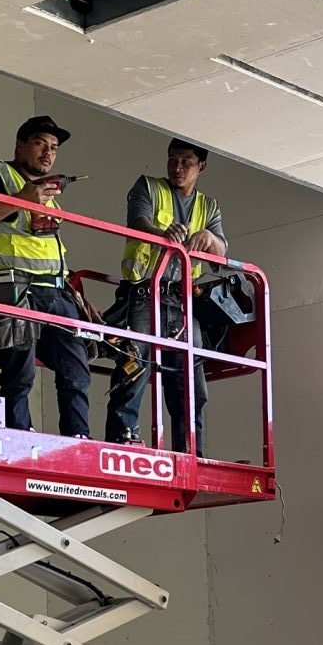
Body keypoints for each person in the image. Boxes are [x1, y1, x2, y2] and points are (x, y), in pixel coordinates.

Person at [0, 116, 91, 437]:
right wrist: (21, 199)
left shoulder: (48, 194)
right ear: (20, 145)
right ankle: (19, 433)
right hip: (16, 288)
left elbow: (49, 249)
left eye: (54, 148)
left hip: (57, 293)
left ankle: (78, 437)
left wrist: (74, 291)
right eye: (40, 143)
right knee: (19, 373)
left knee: (76, 369)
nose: (48, 153)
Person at [104, 139, 228, 454]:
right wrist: (163, 235)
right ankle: (122, 441)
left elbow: (221, 252)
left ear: (201, 166)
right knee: (134, 368)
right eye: (172, 159)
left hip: (183, 303)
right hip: (143, 294)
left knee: (190, 383)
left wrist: (209, 237)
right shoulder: (148, 187)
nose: (177, 167)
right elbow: (138, 222)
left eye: (186, 161)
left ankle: (191, 452)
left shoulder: (208, 206)